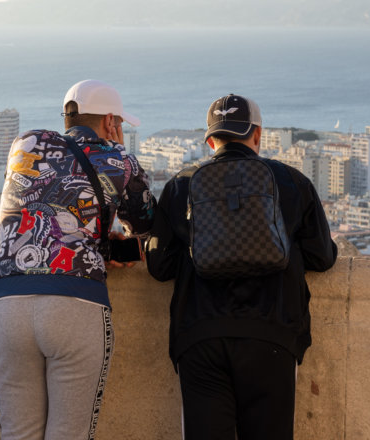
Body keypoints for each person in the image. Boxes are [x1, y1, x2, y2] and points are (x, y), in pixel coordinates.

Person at [145, 94, 338, 440]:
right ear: (258, 135)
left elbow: (159, 265)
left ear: (210, 140)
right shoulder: (292, 182)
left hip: (200, 337)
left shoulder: (179, 186)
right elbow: (322, 258)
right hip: (272, 336)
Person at [0, 79, 155, 440]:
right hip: (75, 302)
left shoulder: (25, 145)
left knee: (17, 434)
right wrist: (108, 243)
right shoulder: (121, 160)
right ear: (111, 121)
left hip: (9, 299)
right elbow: (146, 228)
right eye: (121, 125)